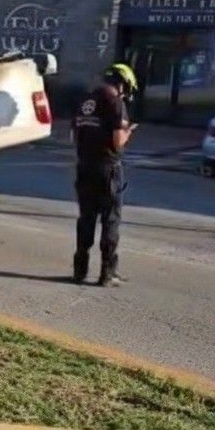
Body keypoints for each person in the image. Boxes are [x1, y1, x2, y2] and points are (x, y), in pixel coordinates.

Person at [72, 63, 139, 287]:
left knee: (86, 218)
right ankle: (107, 274)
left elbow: (74, 134)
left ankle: (79, 270)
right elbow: (117, 141)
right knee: (110, 221)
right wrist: (128, 132)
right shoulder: (115, 102)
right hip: (108, 169)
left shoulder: (84, 101)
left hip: (84, 167)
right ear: (122, 84)